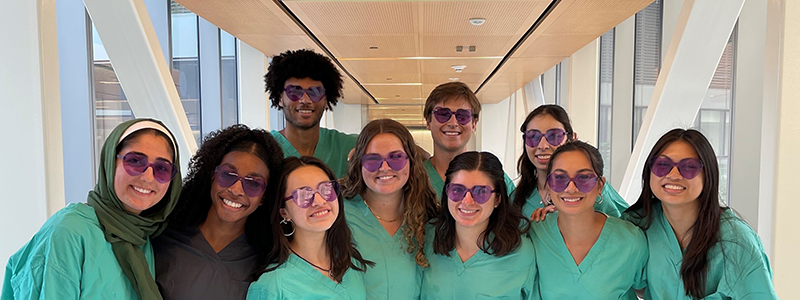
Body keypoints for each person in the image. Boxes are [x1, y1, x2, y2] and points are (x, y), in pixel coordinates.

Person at [2, 119, 181, 300]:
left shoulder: (144, 236)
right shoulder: (69, 232)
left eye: (161, 168)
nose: (148, 177)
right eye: (135, 161)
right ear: (110, 162)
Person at [624, 129, 777, 299]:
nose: (673, 175)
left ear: (708, 176)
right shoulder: (639, 224)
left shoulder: (735, 238)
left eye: (689, 167)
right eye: (662, 165)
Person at [152, 125, 283, 300]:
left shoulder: (267, 262)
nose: (236, 190)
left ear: (264, 197)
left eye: (253, 183)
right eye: (228, 174)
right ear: (212, 176)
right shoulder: (163, 238)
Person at [531, 140, 647, 299]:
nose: (571, 188)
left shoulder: (630, 241)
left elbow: (648, 290)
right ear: (549, 186)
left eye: (584, 178)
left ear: (600, 186)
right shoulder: (534, 235)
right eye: (559, 178)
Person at [247, 156, 373, 299]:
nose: (319, 201)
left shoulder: (349, 263)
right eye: (303, 195)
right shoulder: (273, 285)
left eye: (326, 189)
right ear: (284, 212)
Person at [340, 119, 438, 299]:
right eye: (372, 159)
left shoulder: (428, 217)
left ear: (411, 161)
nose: (384, 168)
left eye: (396, 158)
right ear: (359, 163)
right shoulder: (339, 215)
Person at [421, 152, 536, 299]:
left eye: (481, 192)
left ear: (497, 199)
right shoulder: (427, 238)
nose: (467, 201)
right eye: (457, 190)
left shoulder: (521, 253)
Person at [513, 104, 629, 220]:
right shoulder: (517, 198)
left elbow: (627, 229)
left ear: (572, 138)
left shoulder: (592, 187)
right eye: (533, 137)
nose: (542, 146)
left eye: (554, 136)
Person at [265, 49, 356, 179]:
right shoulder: (264, 150)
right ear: (280, 98)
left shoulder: (348, 147)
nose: (305, 100)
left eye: (315, 92)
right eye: (295, 92)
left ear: (326, 99)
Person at [422, 82, 515, 200]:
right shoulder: (413, 178)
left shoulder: (493, 176)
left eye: (462, 116)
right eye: (443, 114)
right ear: (428, 122)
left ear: (474, 124)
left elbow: (521, 213)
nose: (453, 123)